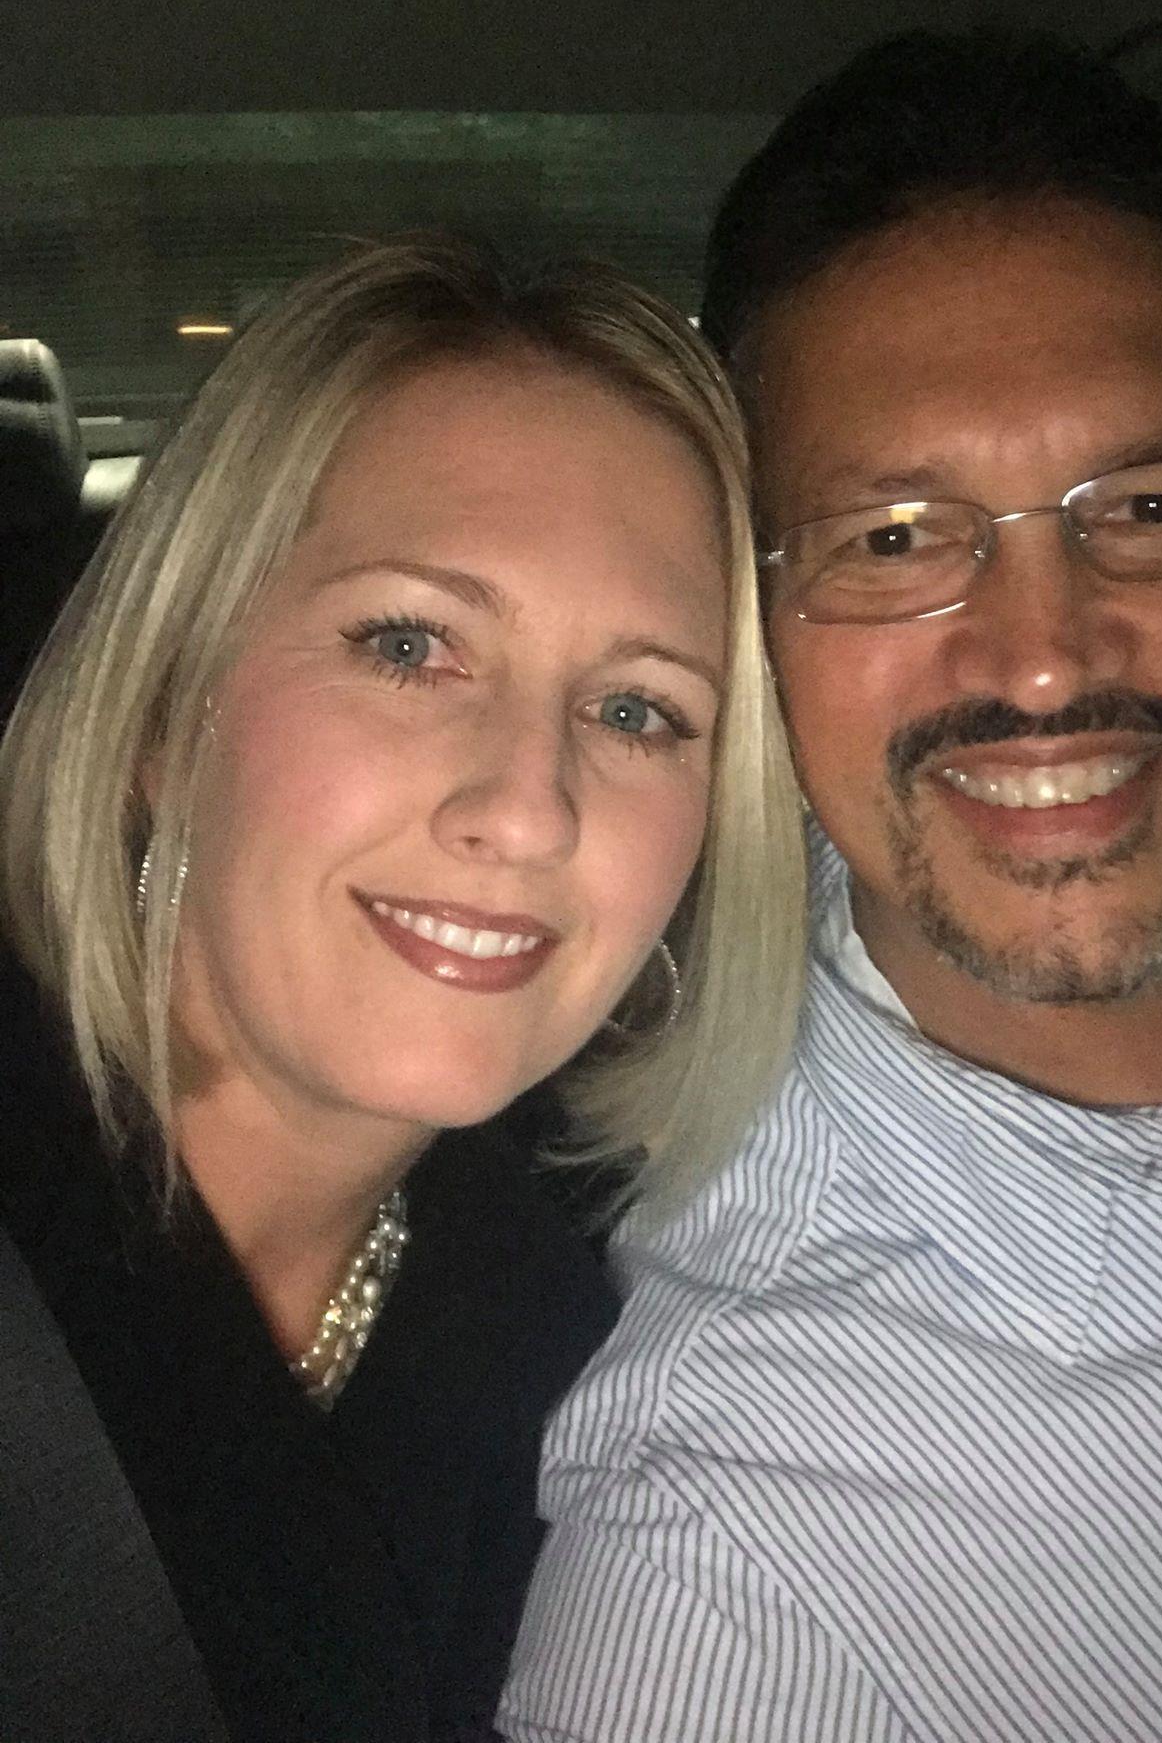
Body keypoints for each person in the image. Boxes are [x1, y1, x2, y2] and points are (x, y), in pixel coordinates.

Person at [500, 33, 1162, 1741]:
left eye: (1149, 503)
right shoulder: (743, 1561)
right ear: (752, 620)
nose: (1046, 659)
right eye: (894, 538)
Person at [0, 236, 805, 1743]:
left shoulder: (571, 1330)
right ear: (167, 710)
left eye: (639, 710)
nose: (529, 808)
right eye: (411, 644)